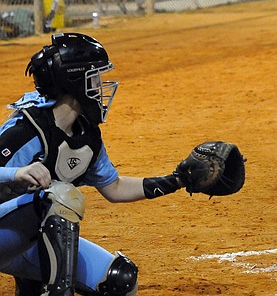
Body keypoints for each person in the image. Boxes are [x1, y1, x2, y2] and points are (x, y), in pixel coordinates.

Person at [0, 33, 196, 294]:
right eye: (94, 77)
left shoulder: (85, 134)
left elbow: (114, 187)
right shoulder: (27, 130)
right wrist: (16, 172)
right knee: (59, 197)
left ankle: (33, 284)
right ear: (74, 80)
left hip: (24, 241)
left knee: (119, 280)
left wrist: (178, 180)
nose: (100, 85)